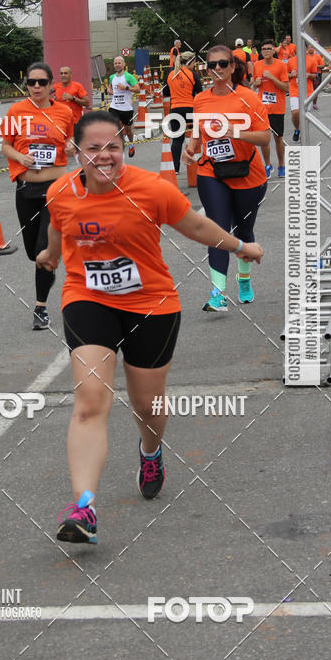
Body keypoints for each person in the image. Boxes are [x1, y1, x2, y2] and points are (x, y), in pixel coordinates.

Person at [36, 110, 263, 544]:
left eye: (113, 147)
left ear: (126, 149)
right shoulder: (60, 191)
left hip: (151, 305)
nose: (104, 156)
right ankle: (83, 507)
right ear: (76, 152)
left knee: (147, 405)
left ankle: (151, 451)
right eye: (93, 148)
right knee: (89, 400)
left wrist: (241, 247)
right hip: (89, 299)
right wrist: (50, 256)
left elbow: (195, 225)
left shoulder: (152, 189)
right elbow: (57, 229)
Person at [182, 45, 270, 311]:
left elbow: (265, 136)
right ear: (206, 69)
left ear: (233, 67)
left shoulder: (248, 98)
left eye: (222, 64)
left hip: (248, 174)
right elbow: (198, 133)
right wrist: (191, 148)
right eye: (212, 65)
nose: (217, 69)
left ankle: (243, 279)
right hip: (212, 171)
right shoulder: (200, 100)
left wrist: (235, 132)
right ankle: (218, 293)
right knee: (217, 230)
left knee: (243, 230)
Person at [1, 62, 74, 330]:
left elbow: (71, 141)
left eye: (42, 82)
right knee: (34, 253)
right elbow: (5, 146)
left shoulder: (64, 112)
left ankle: (40, 308)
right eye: (31, 82)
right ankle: (49, 265)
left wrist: (70, 144)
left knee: (44, 250)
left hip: (55, 188)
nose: (36, 87)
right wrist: (21, 157)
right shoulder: (16, 111)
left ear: (51, 85)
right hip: (26, 190)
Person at [252, 39, 289, 178]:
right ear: (261, 51)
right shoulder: (257, 65)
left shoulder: (280, 65)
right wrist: (256, 83)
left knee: (278, 138)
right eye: (264, 49)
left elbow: (286, 87)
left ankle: (281, 165)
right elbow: (254, 84)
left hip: (277, 108)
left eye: (269, 48)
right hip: (262, 108)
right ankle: (267, 165)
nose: (266, 51)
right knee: (264, 139)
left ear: (274, 50)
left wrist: (272, 78)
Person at [166, 50, 203, 173]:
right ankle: (197, 163)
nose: (195, 65)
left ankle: (175, 169)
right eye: (194, 63)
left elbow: (166, 92)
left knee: (177, 140)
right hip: (190, 109)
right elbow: (200, 93)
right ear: (190, 62)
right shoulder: (192, 74)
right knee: (197, 135)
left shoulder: (171, 74)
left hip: (175, 110)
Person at [108, 55, 140, 158]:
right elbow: (110, 89)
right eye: (115, 63)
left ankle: (131, 144)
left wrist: (125, 87)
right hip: (114, 107)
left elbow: (138, 89)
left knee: (128, 130)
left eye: (119, 63)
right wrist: (109, 91)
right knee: (114, 127)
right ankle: (117, 147)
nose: (117, 65)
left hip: (126, 108)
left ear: (124, 64)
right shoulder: (111, 77)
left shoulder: (128, 76)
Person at [288, 46, 320, 141]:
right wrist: (291, 75)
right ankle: (297, 129)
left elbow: (315, 75)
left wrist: (309, 75)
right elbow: (285, 74)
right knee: (295, 112)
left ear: (305, 49)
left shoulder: (312, 60)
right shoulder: (290, 61)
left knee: (306, 115)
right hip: (294, 90)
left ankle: (302, 132)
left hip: (308, 92)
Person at [308, 43, 323, 111]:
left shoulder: (317, 56)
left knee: (316, 90)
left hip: (317, 74)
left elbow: (322, 65)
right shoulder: (305, 57)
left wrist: (315, 66)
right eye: (309, 47)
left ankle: (314, 104)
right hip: (308, 74)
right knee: (307, 89)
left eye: (312, 47)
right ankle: (307, 103)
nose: (310, 49)